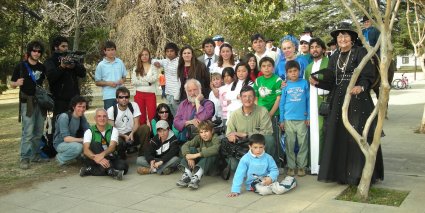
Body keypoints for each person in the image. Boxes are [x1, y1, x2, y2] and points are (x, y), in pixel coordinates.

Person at [309, 22, 384, 185]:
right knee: (338, 135)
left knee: (357, 134)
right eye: (339, 36)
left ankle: (358, 174)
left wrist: (361, 86)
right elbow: (331, 82)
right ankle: (341, 175)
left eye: (345, 35)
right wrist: (317, 82)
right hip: (338, 99)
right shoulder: (334, 56)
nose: (342, 38)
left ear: (352, 38)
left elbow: (368, 75)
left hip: (358, 99)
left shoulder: (360, 52)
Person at [10, 41, 48, 169]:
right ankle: (24, 158)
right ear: (29, 51)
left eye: (39, 51)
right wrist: (17, 83)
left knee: (38, 131)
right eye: (34, 51)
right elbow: (11, 83)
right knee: (28, 132)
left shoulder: (42, 68)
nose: (36, 53)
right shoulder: (21, 66)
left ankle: (35, 156)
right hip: (27, 102)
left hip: (40, 103)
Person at [225, 86, 275, 171]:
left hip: (257, 145)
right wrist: (231, 136)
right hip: (241, 146)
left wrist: (247, 134)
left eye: (250, 96)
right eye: (244, 96)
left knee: (269, 139)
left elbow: (268, 131)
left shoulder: (262, 111)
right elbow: (229, 133)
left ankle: (267, 166)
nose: (247, 99)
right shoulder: (235, 114)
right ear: (240, 98)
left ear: (255, 98)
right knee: (234, 167)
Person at [45, 36, 86, 134]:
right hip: (60, 100)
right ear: (56, 47)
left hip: (75, 99)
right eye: (63, 46)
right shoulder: (50, 61)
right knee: (59, 127)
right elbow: (51, 77)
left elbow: (83, 73)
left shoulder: (71, 58)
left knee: (78, 126)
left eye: (67, 46)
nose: (66, 48)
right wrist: (62, 67)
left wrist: (74, 66)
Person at [79, 108, 129, 180]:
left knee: (124, 167)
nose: (102, 118)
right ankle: (110, 171)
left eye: (104, 116)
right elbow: (86, 150)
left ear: (107, 118)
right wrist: (97, 158)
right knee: (95, 144)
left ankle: (89, 170)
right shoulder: (89, 131)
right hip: (93, 158)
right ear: (95, 118)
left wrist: (101, 156)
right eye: (99, 116)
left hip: (109, 157)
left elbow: (112, 147)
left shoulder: (113, 130)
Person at [304, 38, 329, 175]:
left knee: (323, 132)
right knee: (314, 134)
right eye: (312, 47)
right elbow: (307, 88)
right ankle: (314, 166)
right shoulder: (308, 68)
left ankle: (324, 166)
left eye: (317, 47)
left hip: (325, 103)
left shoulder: (329, 63)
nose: (314, 49)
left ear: (323, 49)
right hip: (312, 104)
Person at [280, 60, 310, 177]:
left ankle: (302, 166)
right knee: (289, 144)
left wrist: (308, 116)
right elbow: (282, 103)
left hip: (302, 119)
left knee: (303, 143)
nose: (293, 73)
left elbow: (308, 100)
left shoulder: (304, 83)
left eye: (295, 71)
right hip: (288, 120)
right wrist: (282, 120)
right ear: (287, 73)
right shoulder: (285, 85)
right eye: (290, 71)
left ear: (299, 71)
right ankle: (291, 167)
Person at [107, 87, 150, 160]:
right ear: (117, 99)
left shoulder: (133, 105)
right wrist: (124, 136)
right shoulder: (111, 110)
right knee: (116, 139)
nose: (124, 99)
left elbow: (137, 123)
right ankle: (121, 156)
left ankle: (142, 154)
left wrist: (132, 133)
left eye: (126, 97)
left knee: (145, 128)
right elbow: (112, 130)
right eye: (121, 97)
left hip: (132, 133)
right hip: (119, 135)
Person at [253, 57, 282, 163]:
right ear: (260, 68)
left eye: (269, 66)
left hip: (273, 115)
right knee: (261, 140)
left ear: (273, 67)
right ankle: (264, 162)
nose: (266, 68)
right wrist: (260, 112)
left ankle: (278, 162)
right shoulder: (258, 80)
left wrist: (270, 114)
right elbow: (255, 98)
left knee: (274, 139)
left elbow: (278, 98)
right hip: (260, 115)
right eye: (264, 66)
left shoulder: (277, 80)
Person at [176, 120, 220, 189]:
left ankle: (196, 177)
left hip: (213, 167)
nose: (204, 134)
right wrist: (188, 156)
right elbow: (185, 145)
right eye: (201, 132)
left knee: (210, 153)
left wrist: (195, 155)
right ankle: (187, 175)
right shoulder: (199, 138)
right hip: (202, 165)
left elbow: (215, 149)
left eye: (206, 131)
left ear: (212, 131)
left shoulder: (216, 138)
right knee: (191, 149)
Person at [53, 96, 90, 166]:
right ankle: (60, 158)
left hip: (73, 142)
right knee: (78, 147)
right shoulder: (64, 117)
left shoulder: (82, 117)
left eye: (84, 107)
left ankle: (74, 157)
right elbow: (66, 138)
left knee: (91, 143)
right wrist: (83, 140)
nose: (82, 109)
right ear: (73, 107)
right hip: (60, 143)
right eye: (79, 106)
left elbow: (89, 131)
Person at [95, 41, 127, 110]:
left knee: (121, 117)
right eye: (108, 50)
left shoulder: (120, 62)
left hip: (121, 95)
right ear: (105, 51)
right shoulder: (101, 65)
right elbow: (97, 82)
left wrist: (122, 80)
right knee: (110, 118)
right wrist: (108, 83)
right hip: (108, 96)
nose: (111, 52)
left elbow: (124, 77)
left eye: (112, 50)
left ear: (115, 50)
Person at [131, 48, 158, 125]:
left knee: (152, 115)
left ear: (149, 56)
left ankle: (153, 134)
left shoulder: (153, 67)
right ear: (140, 56)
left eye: (146, 54)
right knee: (141, 116)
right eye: (142, 55)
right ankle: (143, 134)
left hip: (151, 94)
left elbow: (154, 79)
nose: (144, 56)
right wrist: (147, 82)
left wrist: (141, 79)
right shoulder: (136, 68)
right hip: (139, 94)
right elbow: (134, 81)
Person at [153, 42, 180, 115]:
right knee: (170, 115)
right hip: (168, 93)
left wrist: (177, 94)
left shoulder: (180, 62)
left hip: (176, 94)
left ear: (176, 51)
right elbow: (153, 61)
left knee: (178, 115)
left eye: (171, 51)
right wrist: (156, 63)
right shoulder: (165, 61)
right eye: (167, 51)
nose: (169, 53)